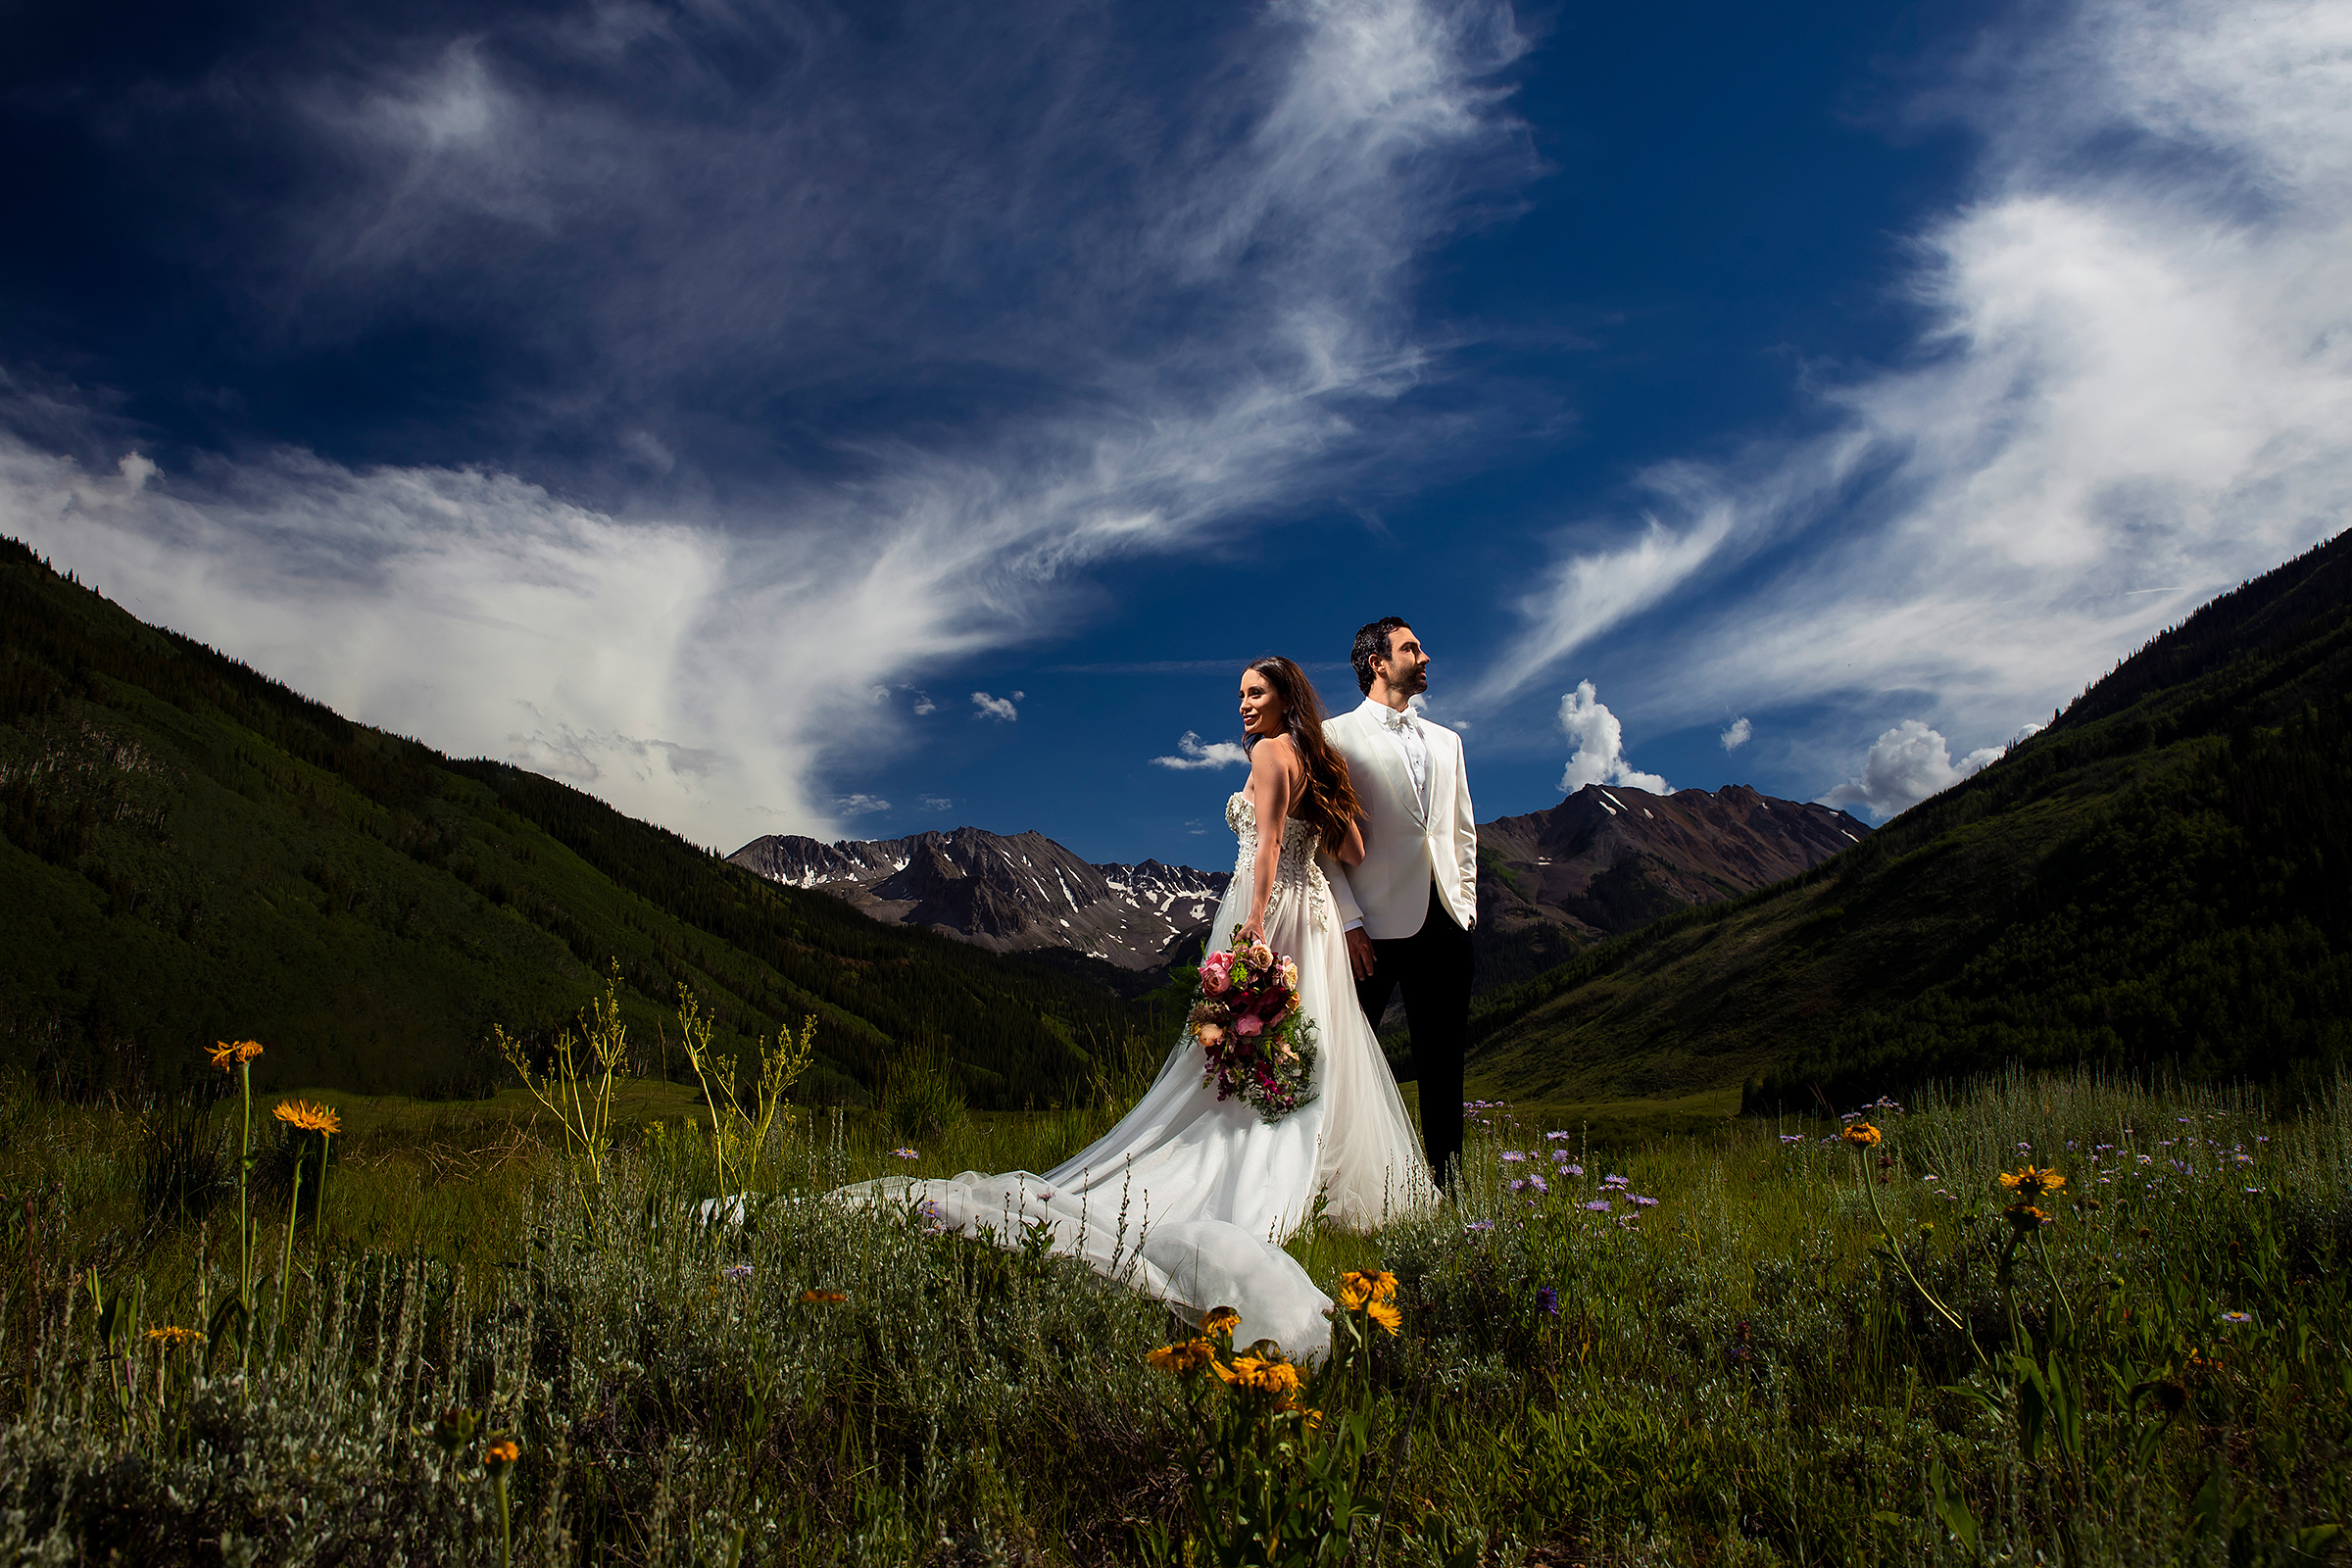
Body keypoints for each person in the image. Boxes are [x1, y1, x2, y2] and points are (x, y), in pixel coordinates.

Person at [839, 656, 1435, 1356]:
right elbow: (1353, 846)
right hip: (1321, 925)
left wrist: (1253, 925)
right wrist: (1327, 825)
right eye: (1239, 695)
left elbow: (1269, 843)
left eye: (1256, 694)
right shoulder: (1315, 761)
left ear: (1284, 700)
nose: (1243, 706)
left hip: (1272, 912)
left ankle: (1259, 1166)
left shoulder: (1275, 753)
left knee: (1247, 1048)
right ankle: (1319, 1176)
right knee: (1305, 1047)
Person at [1321, 618, 1478, 1189]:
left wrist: (1466, 903)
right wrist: (1349, 919)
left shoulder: (1448, 742)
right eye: (1412, 648)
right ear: (1377, 663)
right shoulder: (1333, 737)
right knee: (1343, 1065)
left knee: (1444, 1069)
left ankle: (1448, 1194)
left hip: (1446, 921)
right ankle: (1330, 1185)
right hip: (1371, 930)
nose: (1425, 656)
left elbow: (1460, 831)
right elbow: (1322, 842)